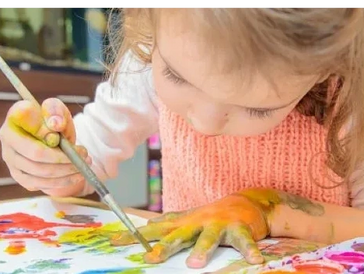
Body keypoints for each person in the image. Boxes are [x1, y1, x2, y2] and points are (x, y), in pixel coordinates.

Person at [1, 5, 364, 269]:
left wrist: (268, 209)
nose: (204, 124)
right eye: (176, 76)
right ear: (145, 17)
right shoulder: (148, 60)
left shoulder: (350, 99)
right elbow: (83, 166)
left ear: (323, 70)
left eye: (257, 109)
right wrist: (50, 161)